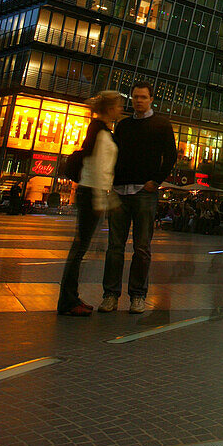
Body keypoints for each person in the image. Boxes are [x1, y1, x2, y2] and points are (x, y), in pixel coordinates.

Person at [98, 82, 177, 314]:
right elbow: (115, 155)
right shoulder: (123, 126)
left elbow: (171, 156)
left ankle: (138, 296)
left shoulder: (162, 125)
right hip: (120, 190)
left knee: (142, 247)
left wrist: (156, 181)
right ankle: (110, 295)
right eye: (135, 97)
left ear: (152, 99)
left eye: (143, 97)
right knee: (115, 247)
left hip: (144, 191)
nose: (138, 100)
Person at [57, 91, 124, 316]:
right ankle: (67, 301)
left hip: (89, 192)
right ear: (109, 108)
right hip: (91, 193)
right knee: (79, 249)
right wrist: (101, 200)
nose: (120, 109)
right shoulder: (102, 133)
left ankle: (71, 296)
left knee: (80, 247)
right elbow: (98, 170)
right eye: (118, 106)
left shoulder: (97, 129)